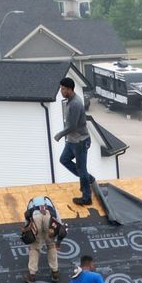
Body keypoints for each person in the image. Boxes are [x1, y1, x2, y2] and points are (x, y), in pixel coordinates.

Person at [54, 77, 94, 206]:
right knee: (64, 160)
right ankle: (88, 179)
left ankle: (86, 197)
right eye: (61, 88)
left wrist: (60, 135)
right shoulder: (69, 101)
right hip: (72, 140)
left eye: (63, 89)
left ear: (70, 89)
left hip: (80, 141)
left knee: (82, 170)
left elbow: (73, 126)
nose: (61, 91)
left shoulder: (75, 104)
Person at [22, 195, 65, 283]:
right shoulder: (53, 207)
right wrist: (58, 243)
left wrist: (28, 234)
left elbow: (26, 225)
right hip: (49, 215)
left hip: (35, 215)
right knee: (51, 245)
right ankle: (55, 273)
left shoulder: (30, 205)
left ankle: (32, 276)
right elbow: (61, 228)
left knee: (35, 247)